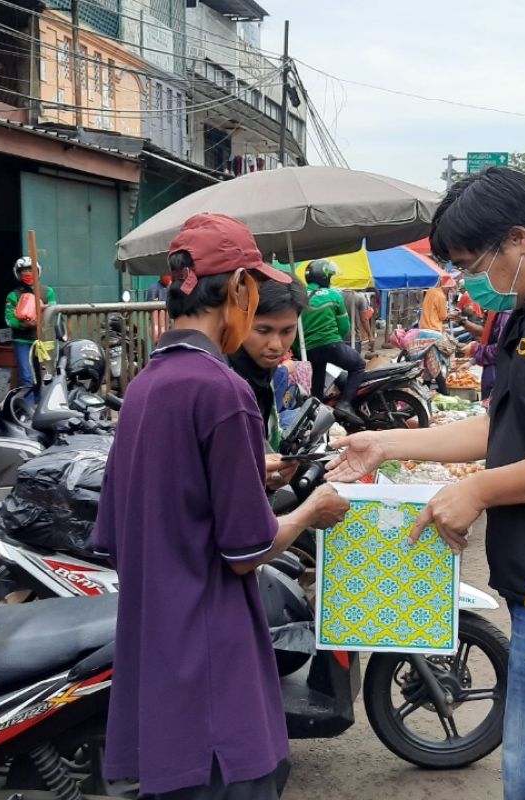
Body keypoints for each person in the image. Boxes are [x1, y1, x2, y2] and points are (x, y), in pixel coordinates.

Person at [327, 167, 525, 800]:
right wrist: (385, 442)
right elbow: (504, 427)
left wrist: (476, 491)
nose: (466, 281)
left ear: (518, 238)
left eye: (469, 262)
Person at [94, 213, 349, 800]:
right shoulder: (223, 391)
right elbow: (246, 551)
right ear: (237, 289)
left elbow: (144, 507)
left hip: (158, 657)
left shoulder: (144, 387)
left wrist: (246, 469)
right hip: (212, 661)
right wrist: (311, 513)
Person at [229, 279, 309, 489]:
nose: (276, 345)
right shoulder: (223, 378)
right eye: (263, 331)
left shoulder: (264, 370)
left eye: (286, 331)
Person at [300, 260, 366, 419]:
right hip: (332, 345)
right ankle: (344, 404)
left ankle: (315, 417)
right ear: (325, 277)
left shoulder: (299, 297)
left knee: (316, 388)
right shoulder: (334, 295)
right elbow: (344, 327)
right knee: (358, 365)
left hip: (307, 351)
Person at [5, 256, 57, 391]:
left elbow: (54, 312)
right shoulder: (13, 295)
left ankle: (45, 406)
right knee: (27, 377)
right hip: (22, 341)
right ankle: (28, 409)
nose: (27, 273)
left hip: (44, 341)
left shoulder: (48, 292)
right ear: (18, 274)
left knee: (46, 375)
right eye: (23, 271)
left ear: (37, 271)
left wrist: (42, 315)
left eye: (30, 269)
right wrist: (24, 324)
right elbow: (9, 319)